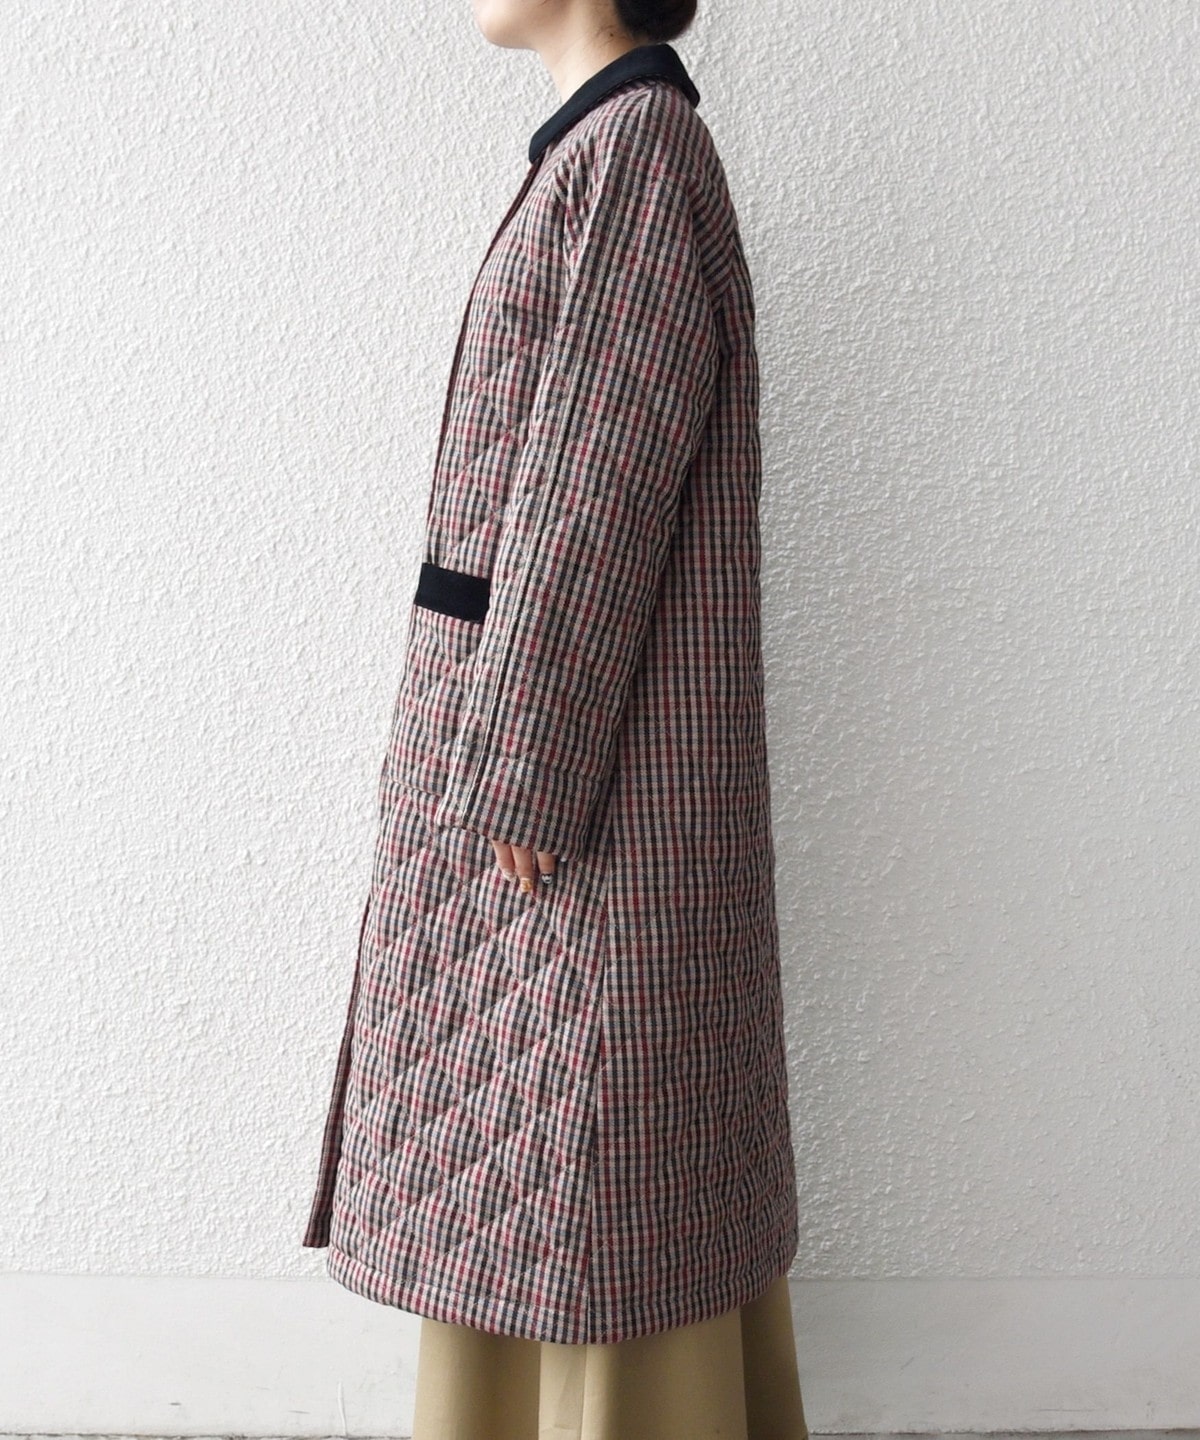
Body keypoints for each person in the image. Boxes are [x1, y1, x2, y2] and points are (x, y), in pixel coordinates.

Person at [301, 3, 810, 1436]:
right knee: (540, 1145)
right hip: (528, 734)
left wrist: (526, 767)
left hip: (577, 766)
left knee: (596, 1142)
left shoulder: (636, 153)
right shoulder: (599, 150)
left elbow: (592, 491)